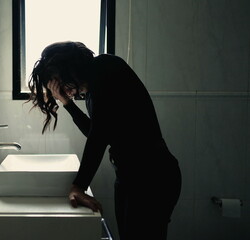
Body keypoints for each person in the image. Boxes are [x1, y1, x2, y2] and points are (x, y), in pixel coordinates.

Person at [26, 41, 182, 240]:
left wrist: (79, 186)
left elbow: (98, 137)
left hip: (152, 177)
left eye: (61, 81)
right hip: (131, 177)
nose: (63, 88)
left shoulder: (106, 67)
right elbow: (97, 133)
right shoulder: (93, 89)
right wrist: (66, 102)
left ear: (71, 68)